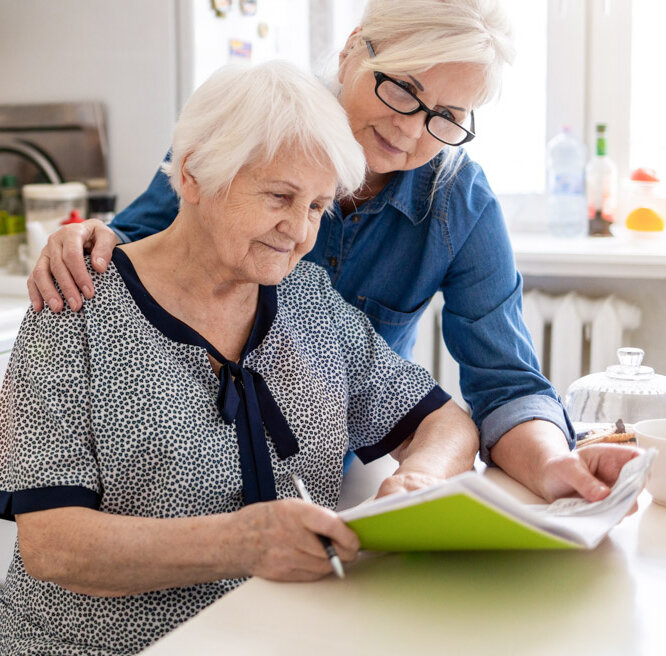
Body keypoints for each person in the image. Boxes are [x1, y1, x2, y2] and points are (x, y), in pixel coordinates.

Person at [28, 0, 639, 505]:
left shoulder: (459, 202)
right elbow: (138, 246)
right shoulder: (257, 127)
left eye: (447, 115)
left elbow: (506, 384)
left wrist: (556, 463)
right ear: (353, 50)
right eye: (403, 88)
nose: (409, 130)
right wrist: (86, 238)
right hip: (187, 470)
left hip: (334, 470)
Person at [0, 61, 479, 656]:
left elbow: (444, 421)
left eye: (316, 207)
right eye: (279, 196)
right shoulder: (76, 308)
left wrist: (422, 478)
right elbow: (54, 545)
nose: (298, 232)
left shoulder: (310, 301)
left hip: (279, 638)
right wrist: (240, 543)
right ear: (195, 173)